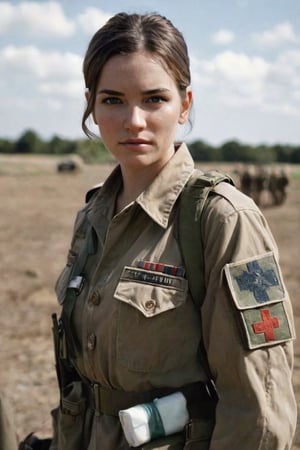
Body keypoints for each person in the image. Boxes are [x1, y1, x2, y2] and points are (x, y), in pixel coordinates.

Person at [42, 12, 296, 450]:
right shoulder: (92, 217)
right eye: (113, 99)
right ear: (91, 105)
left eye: (154, 99)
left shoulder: (222, 219)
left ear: (185, 104)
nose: (134, 120)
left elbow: (259, 407)